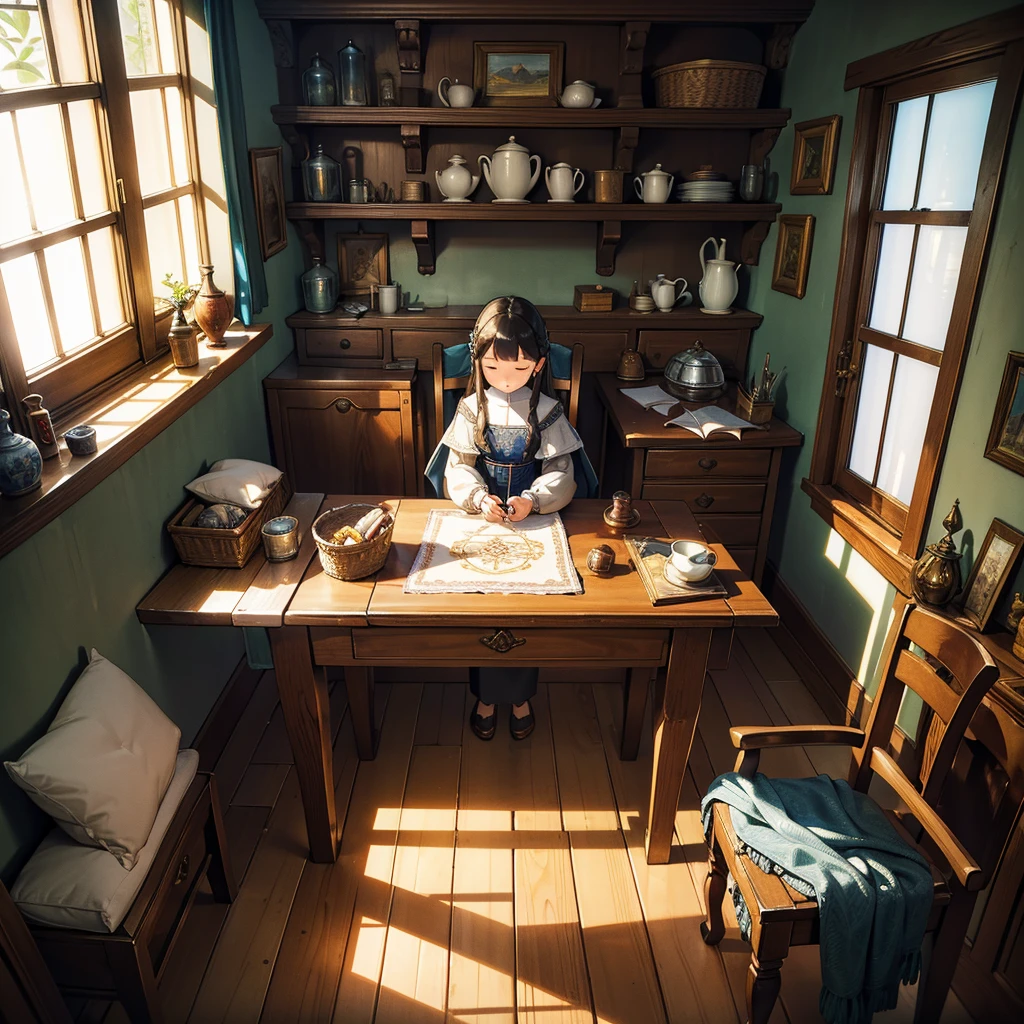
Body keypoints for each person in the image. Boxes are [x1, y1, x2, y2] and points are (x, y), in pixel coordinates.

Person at [426, 296, 591, 741]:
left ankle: (519, 695)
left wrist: (532, 501)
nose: (505, 379)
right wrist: (479, 498)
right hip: (479, 517)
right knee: (483, 602)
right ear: (477, 360)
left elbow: (562, 472)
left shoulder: (545, 411)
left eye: (519, 369)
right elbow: (457, 467)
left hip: (533, 515)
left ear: (538, 365)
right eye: (493, 368)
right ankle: (483, 693)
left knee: (526, 604)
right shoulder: (470, 410)